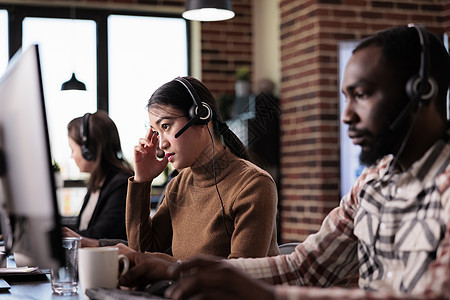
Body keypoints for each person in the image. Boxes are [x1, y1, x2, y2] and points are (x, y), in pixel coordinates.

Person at [121, 25, 450, 299]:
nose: (346, 116)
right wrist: (176, 269)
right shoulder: (371, 184)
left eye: (361, 95)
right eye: (345, 98)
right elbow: (306, 267)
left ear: (420, 90)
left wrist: (267, 295)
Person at [125, 76, 279, 261]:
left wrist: (166, 265)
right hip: (183, 290)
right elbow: (142, 251)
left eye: (166, 126)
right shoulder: (179, 185)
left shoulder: (253, 185)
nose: (161, 144)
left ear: (200, 116)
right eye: (157, 132)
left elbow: (239, 276)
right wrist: (142, 181)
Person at [62, 110, 134, 241]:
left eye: (73, 150)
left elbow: (100, 236)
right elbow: (84, 229)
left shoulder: (122, 183)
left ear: (88, 151)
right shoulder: (97, 183)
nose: (72, 156)